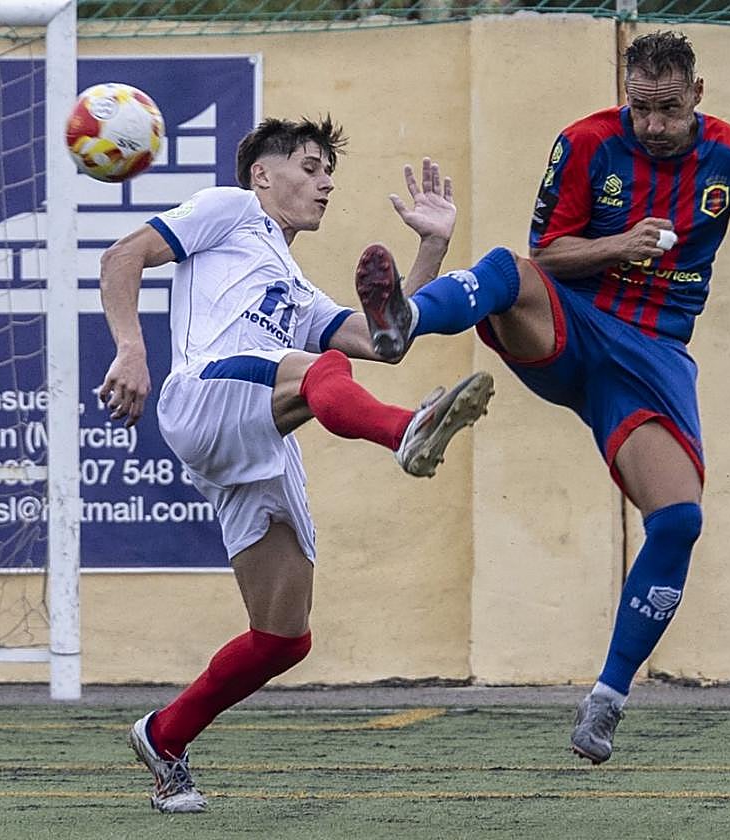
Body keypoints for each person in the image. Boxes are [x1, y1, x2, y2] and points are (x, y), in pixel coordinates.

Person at [355, 30, 730, 765]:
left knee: (680, 520)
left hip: (651, 362)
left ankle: (606, 701)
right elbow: (550, 252)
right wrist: (619, 244)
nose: (652, 124)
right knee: (506, 269)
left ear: (697, 96)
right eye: (640, 108)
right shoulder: (585, 143)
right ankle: (405, 322)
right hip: (569, 328)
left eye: (667, 109)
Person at [97, 115, 493, 813]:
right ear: (262, 174)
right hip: (204, 393)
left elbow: (388, 341)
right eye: (310, 167)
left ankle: (164, 737)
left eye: (327, 171)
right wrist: (131, 350)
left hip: (255, 433)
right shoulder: (230, 209)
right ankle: (406, 430)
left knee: (283, 637)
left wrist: (430, 246)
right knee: (323, 368)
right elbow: (121, 257)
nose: (326, 181)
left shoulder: (298, 291)